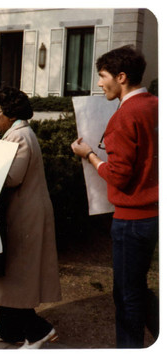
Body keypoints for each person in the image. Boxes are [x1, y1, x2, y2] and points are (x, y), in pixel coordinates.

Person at [71, 45, 158, 348]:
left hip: (131, 221)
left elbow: (119, 175)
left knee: (126, 296)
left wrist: (90, 156)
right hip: (153, 215)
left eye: (102, 76)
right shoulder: (155, 105)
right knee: (138, 287)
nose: (99, 83)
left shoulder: (125, 116)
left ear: (121, 77)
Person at [0, 87, 61, 349]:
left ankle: (39, 331)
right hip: (19, 214)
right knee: (6, 275)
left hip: (24, 217)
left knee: (15, 279)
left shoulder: (20, 136)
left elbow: (12, 177)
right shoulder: (17, 133)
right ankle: (8, 330)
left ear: (10, 114)